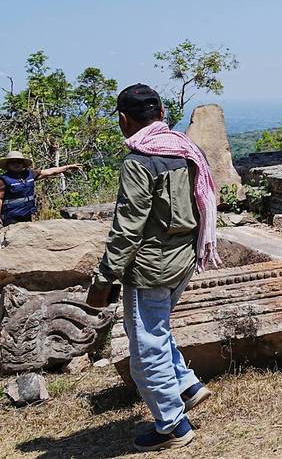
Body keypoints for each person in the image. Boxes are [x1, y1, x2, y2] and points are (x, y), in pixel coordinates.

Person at [86, 84, 221, 452]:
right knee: (155, 329)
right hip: (184, 259)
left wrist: (105, 277)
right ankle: (186, 385)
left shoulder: (139, 160)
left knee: (146, 345)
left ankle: (172, 425)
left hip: (150, 268)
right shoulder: (184, 150)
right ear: (162, 114)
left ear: (123, 120)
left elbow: (128, 228)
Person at [1, 151, 83, 226]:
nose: (16, 164)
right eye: (12, 162)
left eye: (19, 162)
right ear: (8, 165)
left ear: (23, 164)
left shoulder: (30, 174)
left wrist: (67, 167)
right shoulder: (3, 179)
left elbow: (49, 171)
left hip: (27, 215)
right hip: (11, 217)